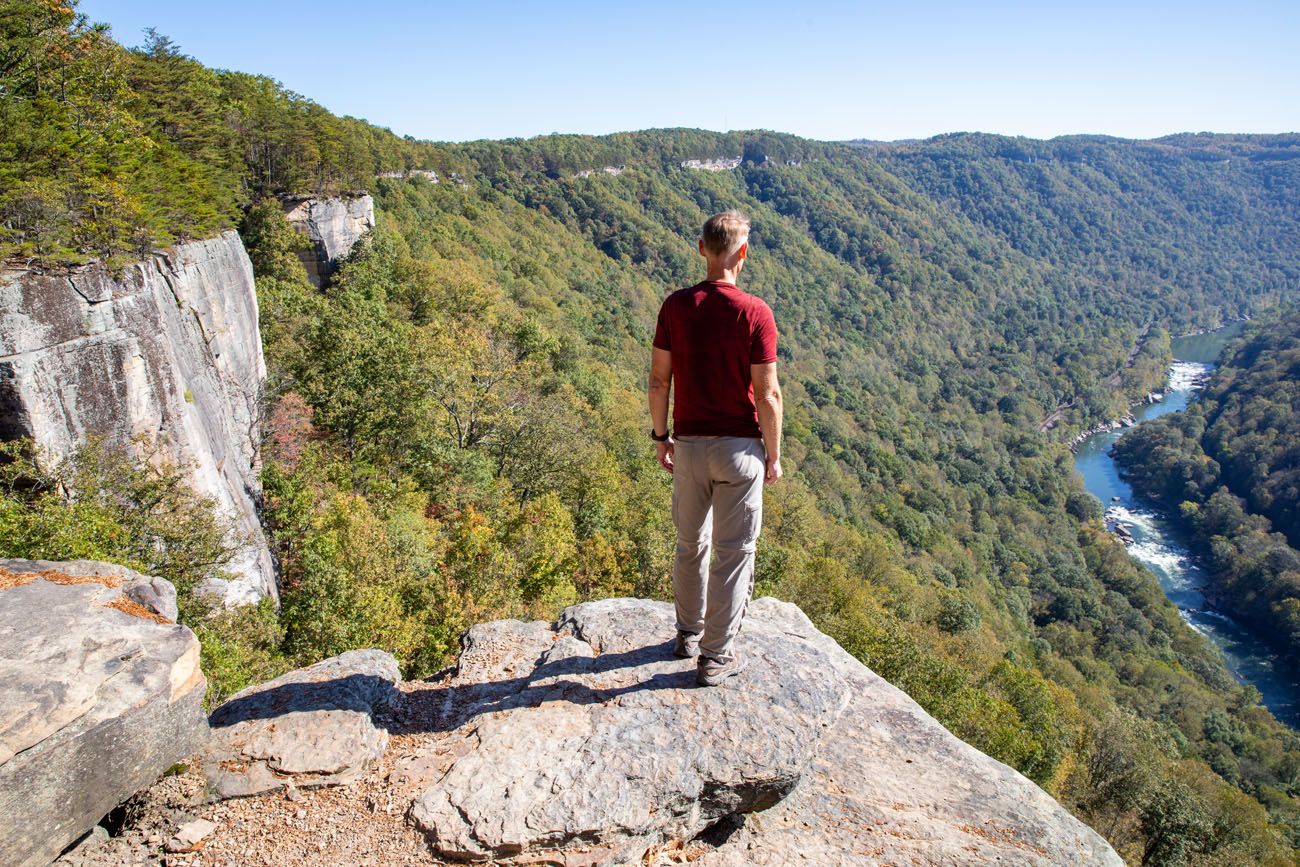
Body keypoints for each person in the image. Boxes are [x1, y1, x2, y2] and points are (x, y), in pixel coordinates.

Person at [647, 209, 783, 687]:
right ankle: (715, 658)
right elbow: (767, 395)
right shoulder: (755, 312)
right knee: (734, 552)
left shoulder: (676, 307)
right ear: (741, 253)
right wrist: (775, 453)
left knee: (690, 546)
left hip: (688, 446)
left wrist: (661, 437)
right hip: (740, 450)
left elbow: (659, 380)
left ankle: (687, 635)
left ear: (701, 248)